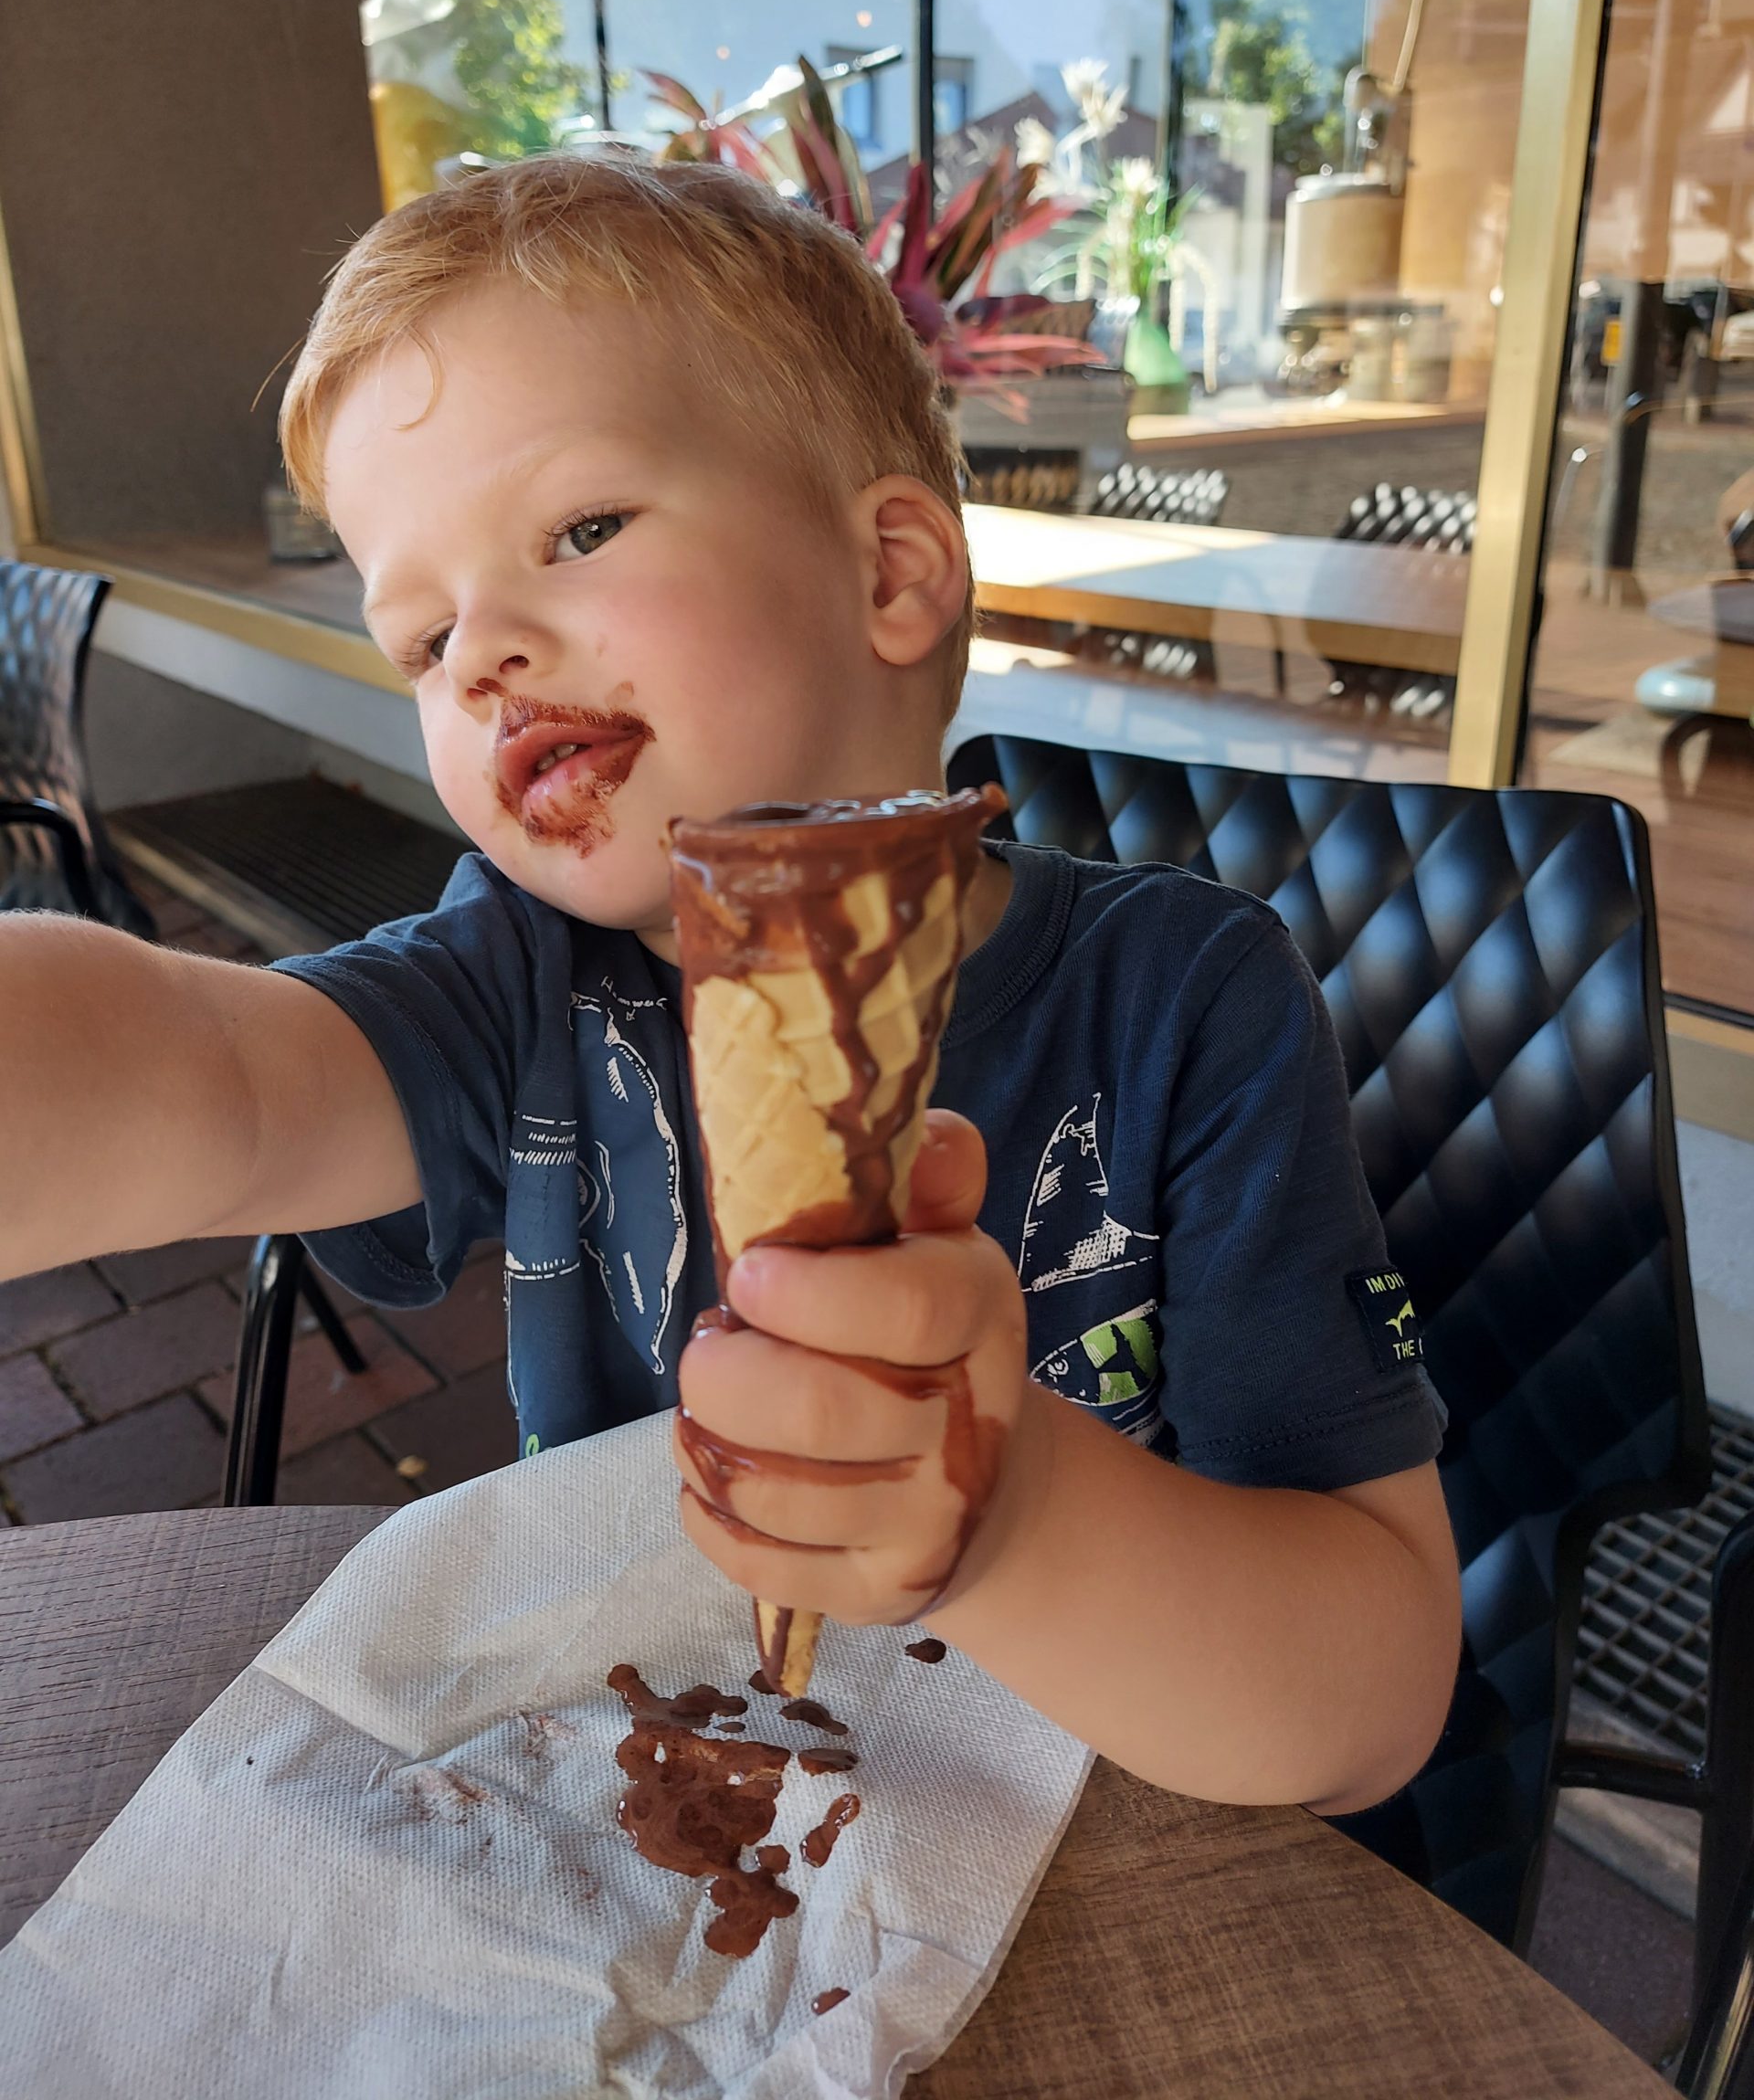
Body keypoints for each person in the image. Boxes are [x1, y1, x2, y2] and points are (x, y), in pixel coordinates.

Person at [0, 154, 1458, 1812]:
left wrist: (1013, 1511)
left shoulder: (1188, 1004)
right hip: (689, 1830)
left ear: (889, 575)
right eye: (420, 639)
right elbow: (211, 1080)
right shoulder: (511, 983)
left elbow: (1373, 1702)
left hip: (1128, 1838)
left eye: (580, 530)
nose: (479, 656)